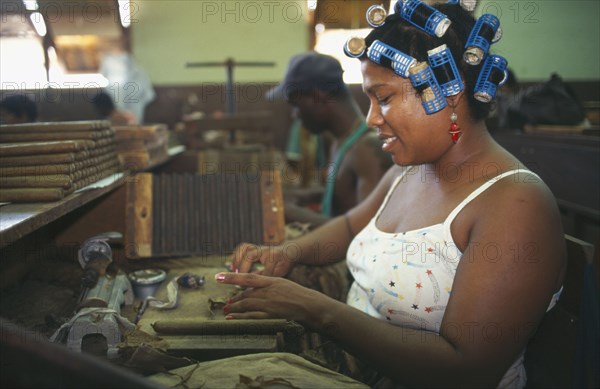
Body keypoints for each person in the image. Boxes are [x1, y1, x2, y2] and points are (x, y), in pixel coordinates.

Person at [217, 3, 566, 388]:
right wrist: (289, 253)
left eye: (382, 98)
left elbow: (466, 371)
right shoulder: (408, 171)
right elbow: (351, 227)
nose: (371, 119)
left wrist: (314, 309)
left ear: (448, 95)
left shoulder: (516, 204)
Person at [269, 52, 392, 227]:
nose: (295, 114)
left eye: (296, 105)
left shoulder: (367, 152)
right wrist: (307, 195)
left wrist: (291, 213)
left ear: (318, 97)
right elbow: (344, 193)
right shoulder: (339, 143)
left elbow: (366, 234)